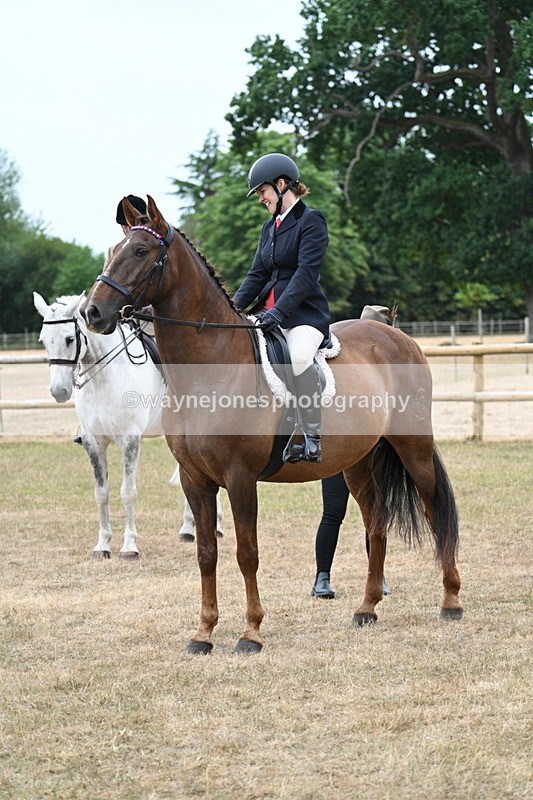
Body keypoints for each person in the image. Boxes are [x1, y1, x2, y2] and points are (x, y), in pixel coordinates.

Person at [233, 153, 330, 464]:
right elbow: (257, 274)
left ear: (281, 184)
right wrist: (232, 308)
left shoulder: (311, 220)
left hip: (303, 315)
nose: (260, 199)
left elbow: (306, 274)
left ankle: (312, 436)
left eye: (262, 192)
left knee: (299, 355)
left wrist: (280, 312)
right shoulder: (268, 228)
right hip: (267, 313)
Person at [312, 472, 391, 599]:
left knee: (374, 513)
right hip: (338, 459)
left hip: (368, 456)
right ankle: (322, 577)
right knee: (333, 512)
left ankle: (377, 575)